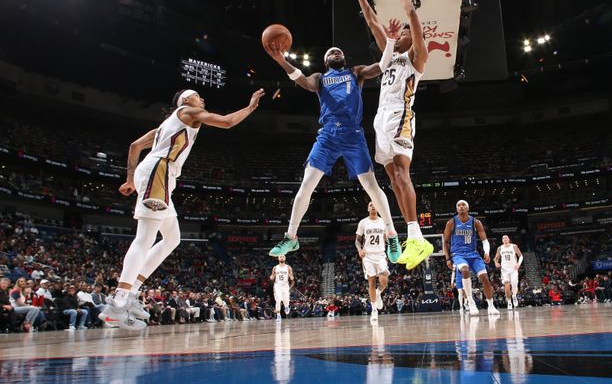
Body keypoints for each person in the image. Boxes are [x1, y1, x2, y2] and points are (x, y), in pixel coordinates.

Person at [101, 88, 265, 330]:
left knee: (172, 239)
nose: (202, 99)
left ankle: (132, 292)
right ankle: (118, 303)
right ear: (186, 100)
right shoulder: (189, 111)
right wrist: (250, 108)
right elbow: (228, 122)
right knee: (144, 238)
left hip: (160, 175)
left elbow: (135, 145)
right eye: (198, 95)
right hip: (159, 172)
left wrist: (129, 179)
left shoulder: (167, 125)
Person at [264, 39, 401, 263]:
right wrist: (282, 61)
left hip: (352, 135)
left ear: (344, 59)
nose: (336, 53)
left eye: (339, 51)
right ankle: (290, 236)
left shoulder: (356, 73)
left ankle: (392, 234)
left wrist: (390, 41)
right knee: (307, 184)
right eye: (331, 52)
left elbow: (382, 66)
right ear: (326, 61)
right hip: (327, 135)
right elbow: (302, 79)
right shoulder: (319, 78)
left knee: (372, 187)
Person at [354, 0, 432, 269]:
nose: (402, 35)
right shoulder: (389, 59)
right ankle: (412, 236)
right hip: (381, 120)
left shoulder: (416, 58)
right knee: (393, 181)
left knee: (402, 174)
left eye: (406, 35)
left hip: (401, 117)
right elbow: (372, 21)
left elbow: (414, 20)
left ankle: (416, 235)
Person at [443, 199, 499, 316]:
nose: (461, 207)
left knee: (485, 278)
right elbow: (445, 242)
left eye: (463, 205)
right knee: (464, 269)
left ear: (468, 208)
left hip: (473, 254)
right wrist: (448, 258)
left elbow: (484, 240)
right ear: (456, 209)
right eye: (459, 205)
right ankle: (471, 302)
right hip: (458, 254)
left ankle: (491, 305)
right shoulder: (451, 222)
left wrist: (487, 252)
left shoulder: (475, 222)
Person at [355, 202, 390, 321]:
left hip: (380, 254)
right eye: (370, 204)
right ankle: (374, 310)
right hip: (368, 256)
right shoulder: (363, 222)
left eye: (375, 204)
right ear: (368, 208)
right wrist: (359, 250)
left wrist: (391, 251)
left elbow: (388, 239)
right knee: (371, 282)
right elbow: (357, 240)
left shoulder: (384, 221)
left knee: (384, 281)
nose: (373, 206)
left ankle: (378, 293)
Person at [494, 235, 523, 309]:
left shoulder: (514, 246)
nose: (504, 239)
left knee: (514, 285)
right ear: (502, 240)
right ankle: (509, 302)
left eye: (506, 237)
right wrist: (496, 263)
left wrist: (518, 264)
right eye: (503, 238)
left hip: (513, 269)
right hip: (504, 270)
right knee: (506, 285)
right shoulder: (500, 248)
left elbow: (521, 256)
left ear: (509, 239)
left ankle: (514, 296)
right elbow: (496, 258)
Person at [270, 255, 294, 320]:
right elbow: (272, 276)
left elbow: (291, 276)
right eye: (280, 257)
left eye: (283, 257)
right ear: (278, 258)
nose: (282, 257)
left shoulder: (288, 267)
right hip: (277, 286)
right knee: (278, 300)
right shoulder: (275, 268)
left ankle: (286, 307)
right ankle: (278, 315)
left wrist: (291, 277)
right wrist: (271, 277)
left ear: (285, 258)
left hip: (285, 286)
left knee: (286, 300)